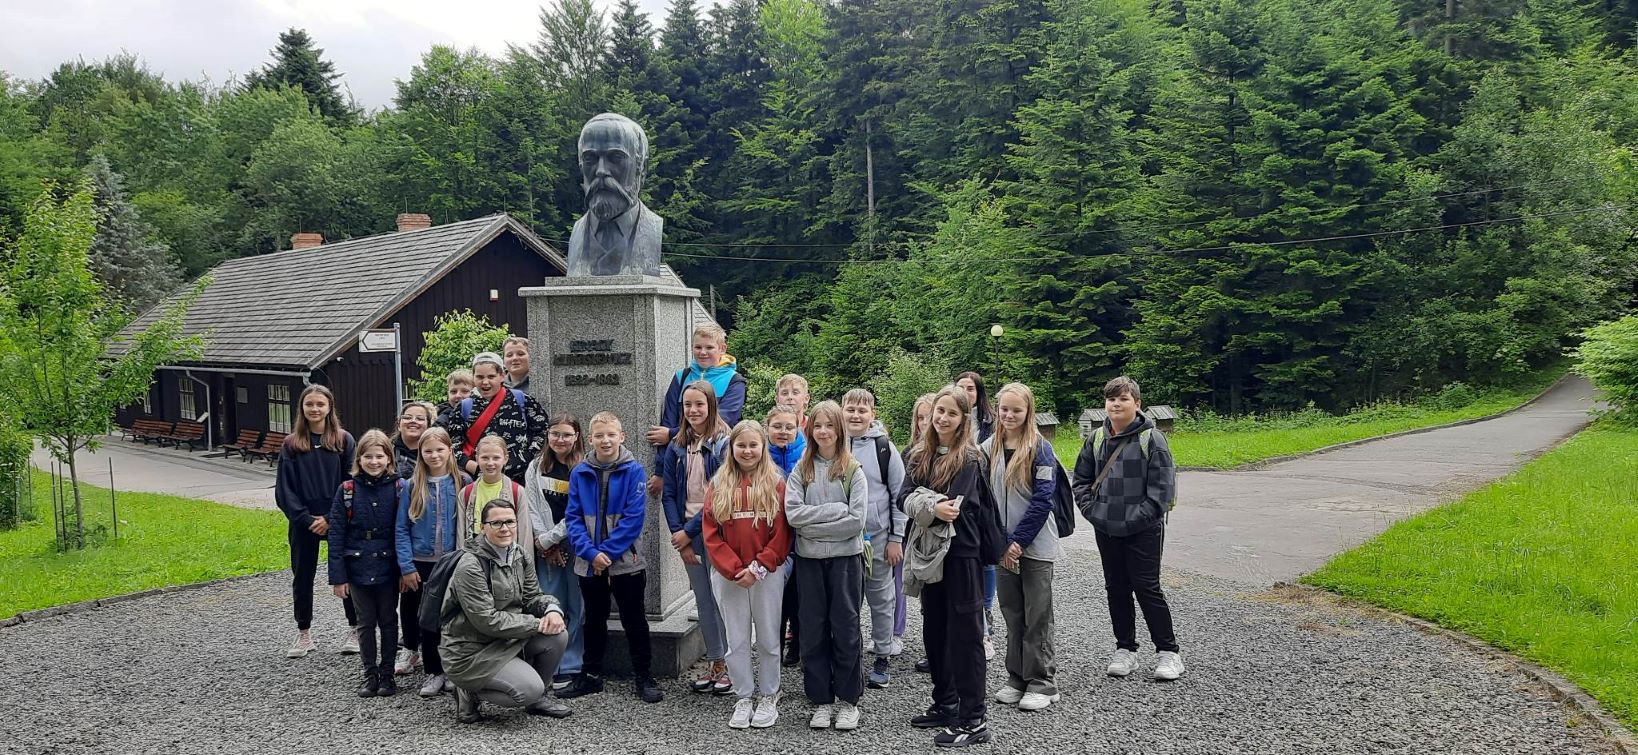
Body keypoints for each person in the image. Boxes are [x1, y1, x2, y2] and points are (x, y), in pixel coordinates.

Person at [899, 385, 1004, 747]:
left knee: (965, 636)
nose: (942, 418)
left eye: (951, 413)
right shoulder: (918, 454)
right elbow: (904, 496)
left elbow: (954, 506)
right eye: (939, 411)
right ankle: (945, 703)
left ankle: (974, 719)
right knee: (935, 631)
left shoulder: (971, 459)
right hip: (930, 556)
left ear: (963, 420)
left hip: (963, 556)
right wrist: (927, 505)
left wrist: (922, 503)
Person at [1071, 376, 1183, 682]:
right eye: (1111, 399)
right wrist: (1092, 512)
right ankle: (1125, 649)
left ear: (1137, 403)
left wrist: (1135, 520)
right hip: (1105, 526)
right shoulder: (1095, 440)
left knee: (1147, 587)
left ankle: (1168, 652)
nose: (1116, 404)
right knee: (1116, 588)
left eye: (1123, 398)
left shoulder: (1152, 440)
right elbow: (1080, 480)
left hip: (1143, 528)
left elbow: (1162, 490)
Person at [559, 412, 665, 704]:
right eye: (599, 435)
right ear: (590, 439)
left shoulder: (633, 471)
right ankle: (591, 675)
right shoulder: (580, 472)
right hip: (589, 563)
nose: (605, 440)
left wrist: (608, 552)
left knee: (634, 619)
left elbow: (633, 520)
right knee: (593, 618)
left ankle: (643, 675)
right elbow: (574, 517)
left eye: (611, 434)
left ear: (622, 437)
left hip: (626, 562)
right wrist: (592, 553)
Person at [444, 500, 572, 724]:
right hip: (472, 650)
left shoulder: (519, 554)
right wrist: (536, 624)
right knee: (528, 689)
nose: (505, 528)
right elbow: (487, 620)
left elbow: (532, 597)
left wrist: (552, 610)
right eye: (496, 523)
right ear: (483, 527)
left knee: (557, 635)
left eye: (510, 522)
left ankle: (538, 699)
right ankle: (467, 690)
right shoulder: (470, 565)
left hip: (506, 640)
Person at [702, 420, 794, 729]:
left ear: (763, 447)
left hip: (766, 573)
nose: (747, 450)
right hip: (730, 575)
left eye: (754, 445)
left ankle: (769, 694)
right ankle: (743, 695)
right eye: (741, 445)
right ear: (732, 448)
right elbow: (711, 533)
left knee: (768, 636)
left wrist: (759, 566)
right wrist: (734, 568)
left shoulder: (776, 483)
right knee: (737, 639)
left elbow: (782, 533)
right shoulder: (719, 484)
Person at [784, 400, 868, 732]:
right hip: (809, 561)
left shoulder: (853, 470)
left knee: (846, 630)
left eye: (830, 425)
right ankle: (820, 699)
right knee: (814, 630)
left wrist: (815, 521)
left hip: (846, 561)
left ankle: (848, 700)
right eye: (817, 425)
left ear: (839, 430)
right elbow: (793, 515)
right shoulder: (800, 471)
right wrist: (836, 510)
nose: (823, 431)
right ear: (810, 430)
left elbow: (856, 521)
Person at [981, 383, 1061, 711]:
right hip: (1003, 547)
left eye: (1017, 409)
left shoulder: (1040, 448)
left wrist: (1018, 541)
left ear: (1028, 411)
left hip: (1035, 545)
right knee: (1012, 612)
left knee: (1037, 613)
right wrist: (1001, 543)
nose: (1009, 415)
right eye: (1004, 409)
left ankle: (1043, 681)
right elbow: (984, 498)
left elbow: (1043, 499)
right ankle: (1017, 676)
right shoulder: (989, 448)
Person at [657, 380, 733, 694]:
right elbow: (669, 493)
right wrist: (678, 532)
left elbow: (720, 497)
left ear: (711, 405)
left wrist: (687, 533)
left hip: (716, 532)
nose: (693, 410)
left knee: (722, 601)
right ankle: (715, 661)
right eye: (688, 405)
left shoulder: (723, 443)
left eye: (699, 404)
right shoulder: (676, 445)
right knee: (703, 600)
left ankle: (730, 663)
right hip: (687, 532)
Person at [275, 384, 359, 658]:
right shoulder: (291, 445)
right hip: (303, 522)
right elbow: (284, 490)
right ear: (302, 408)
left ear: (329, 407)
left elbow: (351, 483)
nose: (314, 409)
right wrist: (306, 518)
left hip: (337, 520)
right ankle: (304, 633)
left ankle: (355, 629)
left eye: (320, 405)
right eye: (309, 404)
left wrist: (332, 518)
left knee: (347, 572)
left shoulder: (344, 440)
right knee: (302, 576)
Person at [327, 429, 403, 697]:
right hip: (357, 565)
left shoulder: (399, 488)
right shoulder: (347, 490)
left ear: (389, 459)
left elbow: (404, 529)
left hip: (388, 564)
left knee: (389, 620)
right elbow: (336, 533)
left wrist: (405, 569)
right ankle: (369, 673)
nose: (374, 462)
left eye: (379, 456)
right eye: (368, 456)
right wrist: (338, 576)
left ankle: (388, 674)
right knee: (365, 621)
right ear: (359, 459)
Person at [841, 389, 908, 689]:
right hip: (841, 537)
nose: (855, 415)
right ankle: (849, 655)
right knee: (845, 600)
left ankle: (882, 654)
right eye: (850, 409)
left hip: (878, 537)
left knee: (881, 598)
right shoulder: (831, 442)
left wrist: (896, 537)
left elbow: (899, 496)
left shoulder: (885, 448)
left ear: (872, 414)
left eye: (862, 410)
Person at [395, 427, 465, 698]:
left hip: (450, 562)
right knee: (422, 617)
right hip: (419, 562)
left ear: (450, 451)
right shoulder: (411, 486)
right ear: (421, 454)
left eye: (440, 450)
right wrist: (406, 566)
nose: (434, 455)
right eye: (428, 451)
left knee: (449, 618)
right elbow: (401, 528)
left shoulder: (462, 483)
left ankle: (451, 670)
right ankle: (433, 671)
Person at [524, 413, 587, 692]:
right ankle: (551, 662)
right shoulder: (536, 467)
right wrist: (543, 542)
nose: (560, 440)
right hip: (544, 546)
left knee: (576, 606)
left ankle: (571, 663)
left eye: (566, 435)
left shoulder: (584, 468)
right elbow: (531, 505)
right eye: (555, 434)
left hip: (576, 544)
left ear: (576, 437)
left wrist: (552, 539)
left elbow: (579, 511)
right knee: (551, 604)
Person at [441, 352, 547, 485]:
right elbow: (451, 444)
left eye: (491, 376)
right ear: (473, 378)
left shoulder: (522, 400)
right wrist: (471, 465)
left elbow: (542, 431)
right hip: (479, 481)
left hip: (521, 480)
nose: (485, 382)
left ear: (502, 376)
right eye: (479, 377)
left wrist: (525, 459)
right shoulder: (464, 407)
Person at [646, 323, 747, 454]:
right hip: (680, 456)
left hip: (716, 455)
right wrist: (660, 470)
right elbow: (667, 421)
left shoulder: (734, 381)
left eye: (709, 347)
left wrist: (672, 434)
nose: (703, 352)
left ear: (722, 349)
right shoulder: (681, 377)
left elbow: (722, 422)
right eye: (698, 347)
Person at [956, 371, 999, 659]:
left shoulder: (990, 424)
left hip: (987, 495)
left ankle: (986, 611)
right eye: (960, 387)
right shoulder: (948, 417)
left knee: (987, 560)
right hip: (959, 502)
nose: (965, 392)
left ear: (979, 393)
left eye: (970, 388)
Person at [766, 403, 806, 668]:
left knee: (798, 598)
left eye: (789, 427)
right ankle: (774, 649)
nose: (783, 432)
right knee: (775, 600)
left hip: (802, 536)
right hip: (771, 537)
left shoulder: (806, 453)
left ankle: (798, 646)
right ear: (767, 428)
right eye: (777, 427)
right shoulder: (760, 455)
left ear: (798, 428)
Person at [460, 436, 536, 556]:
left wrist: (525, 565)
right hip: (474, 556)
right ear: (477, 458)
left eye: (496, 458)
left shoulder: (517, 492)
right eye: (485, 458)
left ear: (505, 459)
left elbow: (525, 534)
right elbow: (461, 533)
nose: (490, 463)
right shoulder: (466, 493)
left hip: (507, 555)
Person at [905, 393, 935, 672]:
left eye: (930, 416)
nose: (925, 423)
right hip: (916, 536)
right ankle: (933, 650)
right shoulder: (910, 453)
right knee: (926, 597)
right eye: (920, 417)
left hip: (943, 537)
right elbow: (902, 495)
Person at [393, 401, 436, 479]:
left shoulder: (437, 453)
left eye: (420, 418)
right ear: (399, 425)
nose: (413, 421)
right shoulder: (386, 452)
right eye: (407, 417)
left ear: (428, 426)